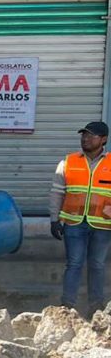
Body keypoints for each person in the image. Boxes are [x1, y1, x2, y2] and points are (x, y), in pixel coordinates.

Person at [50, 120, 111, 315]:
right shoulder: (68, 162)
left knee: (97, 265)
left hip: (103, 225)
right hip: (73, 223)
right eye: (83, 134)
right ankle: (67, 307)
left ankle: (96, 308)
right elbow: (57, 193)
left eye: (90, 135)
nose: (85, 138)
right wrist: (54, 219)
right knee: (74, 264)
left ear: (103, 140)